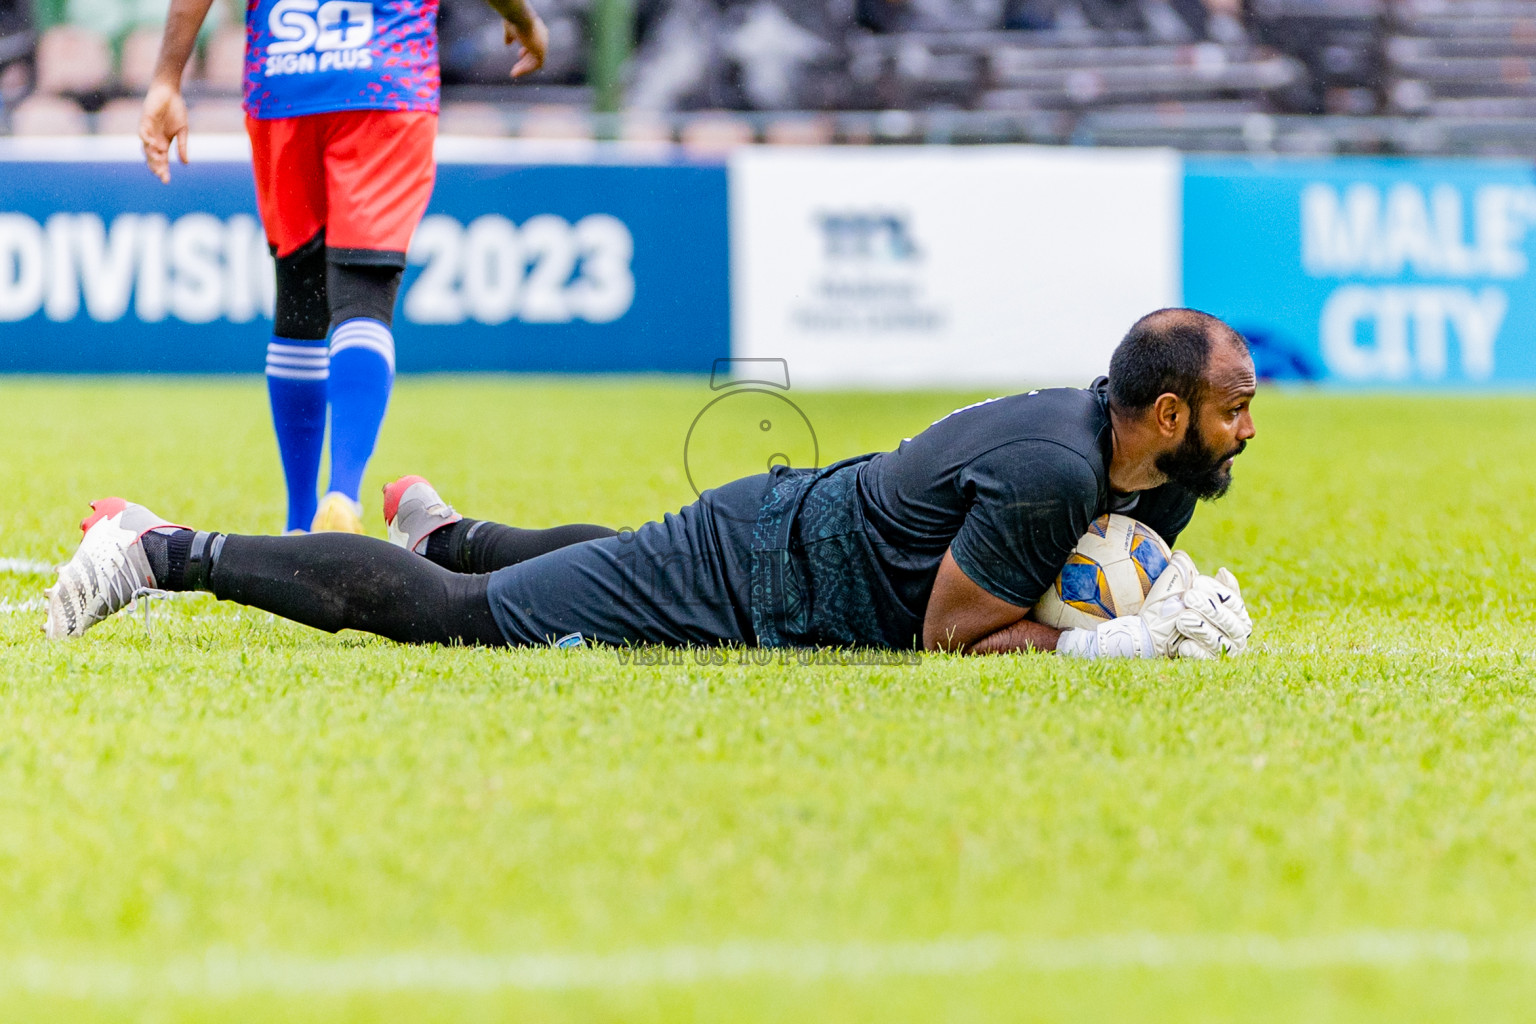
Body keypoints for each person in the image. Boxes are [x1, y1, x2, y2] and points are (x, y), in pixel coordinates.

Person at [44, 308, 1256, 658]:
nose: (1247, 426)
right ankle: (165, 549)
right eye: (1231, 407)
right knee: (466, 626)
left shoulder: (1160, 477)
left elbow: (1062, 578)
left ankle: (450, 527)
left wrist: (1158, 586)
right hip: (763, 577)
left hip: (782, 548)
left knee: (609, 559)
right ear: (1165, 413)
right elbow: (951, 635)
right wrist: (1120, 644)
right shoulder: (1056, 468)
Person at [138, 0, 549, 535]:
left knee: (299, 297)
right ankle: (344, 493)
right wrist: (522, 19)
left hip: (286, 73)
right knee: (362, 295)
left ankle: (297, 522)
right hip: (385, 72)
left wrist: (167, 78)